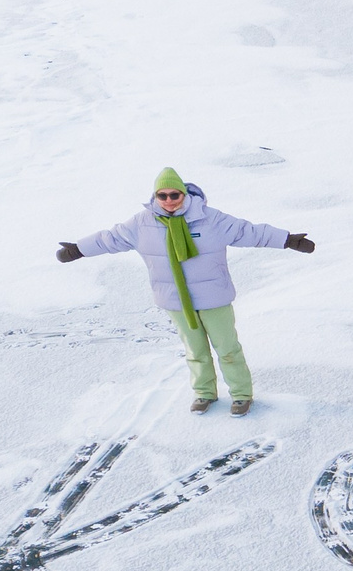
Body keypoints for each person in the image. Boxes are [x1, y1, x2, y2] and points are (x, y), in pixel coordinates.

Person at [59, 167, 315, 416]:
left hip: (214, 297)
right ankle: (204, 392)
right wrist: (78, 249)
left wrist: (288, 240)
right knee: (195, 351)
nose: (169, 201)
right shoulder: (142, 223)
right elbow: (109, 238)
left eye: (175, 195)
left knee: (227, 349)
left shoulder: (210, 218)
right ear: (155, 197)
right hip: (175, 300)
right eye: (163, 195)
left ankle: (241, 394)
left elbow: (247, 231)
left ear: (184, 194)